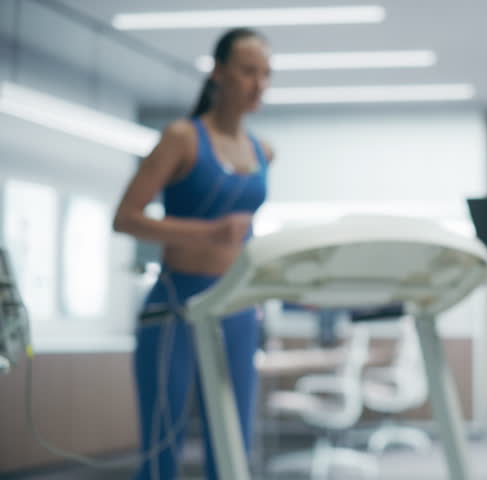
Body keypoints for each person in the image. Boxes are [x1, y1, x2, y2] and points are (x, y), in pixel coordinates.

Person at [112, 27, 273, 480]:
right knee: (164, 440)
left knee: (233, 440)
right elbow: (125, 218)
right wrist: (209, 232)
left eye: (265, 74)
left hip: (237, 309)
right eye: (247, 71)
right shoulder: (182, 138)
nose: (258, 84)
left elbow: (246, 238)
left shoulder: (263, 151)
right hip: (175, 305)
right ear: (219, 72)